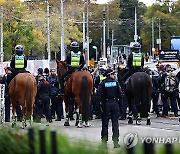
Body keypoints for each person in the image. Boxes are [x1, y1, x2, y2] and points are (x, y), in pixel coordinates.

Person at [97, 68, 122, 148]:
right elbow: (120, 95)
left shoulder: (103, 83)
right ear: (110, 75)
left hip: (106, 104)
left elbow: (98, 95)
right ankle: (116, 142)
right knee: (115, 124)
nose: (114, 75)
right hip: (114, 104)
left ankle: (104, 143)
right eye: (113, 74)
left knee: (105, 124)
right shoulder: (116, 83)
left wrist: (99, 107)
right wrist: (121, 107)